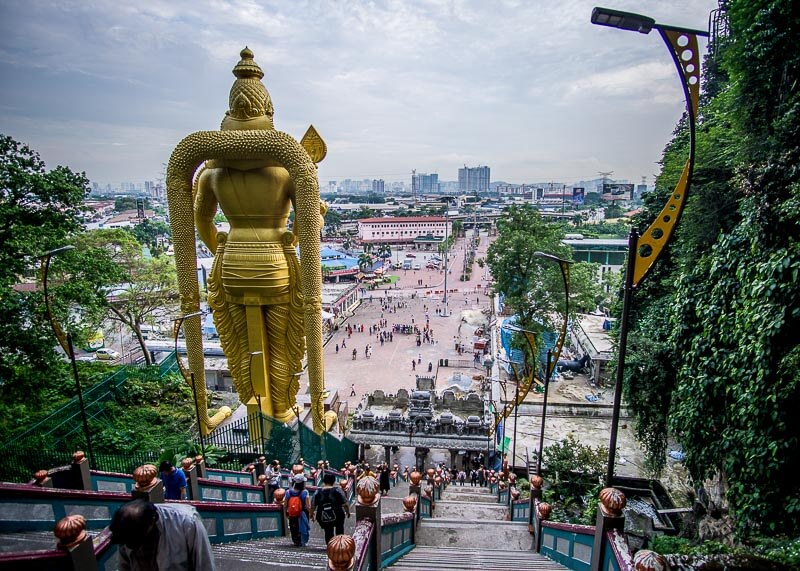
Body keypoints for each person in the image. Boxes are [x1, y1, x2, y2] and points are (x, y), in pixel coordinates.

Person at [185, 47, 324, 428]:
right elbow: (307, 224)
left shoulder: (212, 173)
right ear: (268, 109)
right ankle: (279, 409)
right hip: (276, 265)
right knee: (281, 344)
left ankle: (254, 409)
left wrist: (221, 249)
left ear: (230, 110)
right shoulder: (284, 168)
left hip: (231, 265)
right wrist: (288, 242)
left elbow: (201, 220)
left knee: (242, 345)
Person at [110, 499, 214, 571]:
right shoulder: (125, 530)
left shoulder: (186, 522)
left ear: (153, 521)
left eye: (137, 540)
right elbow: (125, 566)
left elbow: (204, 564)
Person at [312, 472, 350, 545]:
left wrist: (311, 514)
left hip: (323, 515)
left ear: (324, 481)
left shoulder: (318, 491)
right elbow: (345, 503)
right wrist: (347, 512)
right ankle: (340, 545)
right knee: (339, 529)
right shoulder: (338, 490)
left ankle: (330, 546)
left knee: (328, 530)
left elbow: (313, 505)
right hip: (338, 514)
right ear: (333, 481)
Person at [286, 473, 311, 547]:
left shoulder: (288, 492)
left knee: (293, 526)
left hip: (292, 512)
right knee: (302, 526)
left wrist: (286, 513)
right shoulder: (305, 492)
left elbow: (285, 504)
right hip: (302, 512)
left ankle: (295, 541)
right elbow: (307, 505)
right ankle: (301, 540)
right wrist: (311, 513)